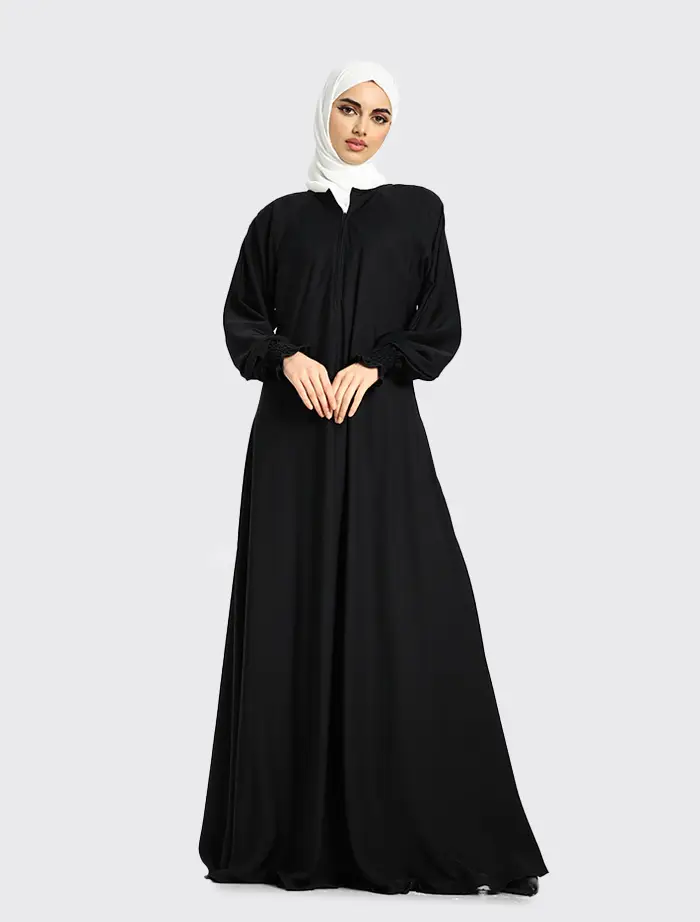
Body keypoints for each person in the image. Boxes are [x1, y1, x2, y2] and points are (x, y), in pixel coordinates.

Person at [198, 60, 549, 898]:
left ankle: (426, 827)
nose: (361, 128)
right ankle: (284, 836)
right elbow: (243, 318)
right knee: (290, 609)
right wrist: (286, 357)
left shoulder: (418, 211)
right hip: (292, 445)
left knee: (413, 608)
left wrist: (379, 364)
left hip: (383, 434)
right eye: (349, 109)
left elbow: (441, 325)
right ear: (325, 112)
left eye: (380, 116)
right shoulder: (278, 221)